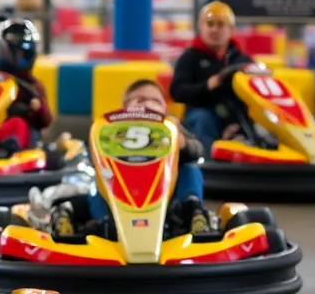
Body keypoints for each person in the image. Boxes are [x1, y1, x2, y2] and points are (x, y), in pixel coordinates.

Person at [55, 78, 210, 237]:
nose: (148, 104)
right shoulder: (111, 128)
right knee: (101, 176)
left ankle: (192, 211)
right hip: (120, 187)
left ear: (164, 107)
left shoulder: (172, 127)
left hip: (163, 191)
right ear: (126, 107)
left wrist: (183, 144)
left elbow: (198, 150)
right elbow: (91, 148)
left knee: (190, 169)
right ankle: (103, 222)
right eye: (141, 100)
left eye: (155, 100)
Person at [169, 1, 254, 152]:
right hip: (202, 114)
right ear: (201, 27)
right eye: (210, 24)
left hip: (236, 115)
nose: (214, 30)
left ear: (231, 29)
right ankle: (206, 165)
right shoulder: (190, 57)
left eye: (220, 25)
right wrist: (209, 84)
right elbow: (177, 92)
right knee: (203, 118)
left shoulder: (242, 60)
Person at [0, 19, 54, 158]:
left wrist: (35, 108)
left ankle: (4, 152)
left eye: (24, 54)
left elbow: (45, 120)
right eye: (16, 54)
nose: (20, 59)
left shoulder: (32, 85)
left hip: (21, 139)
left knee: (17, 124)